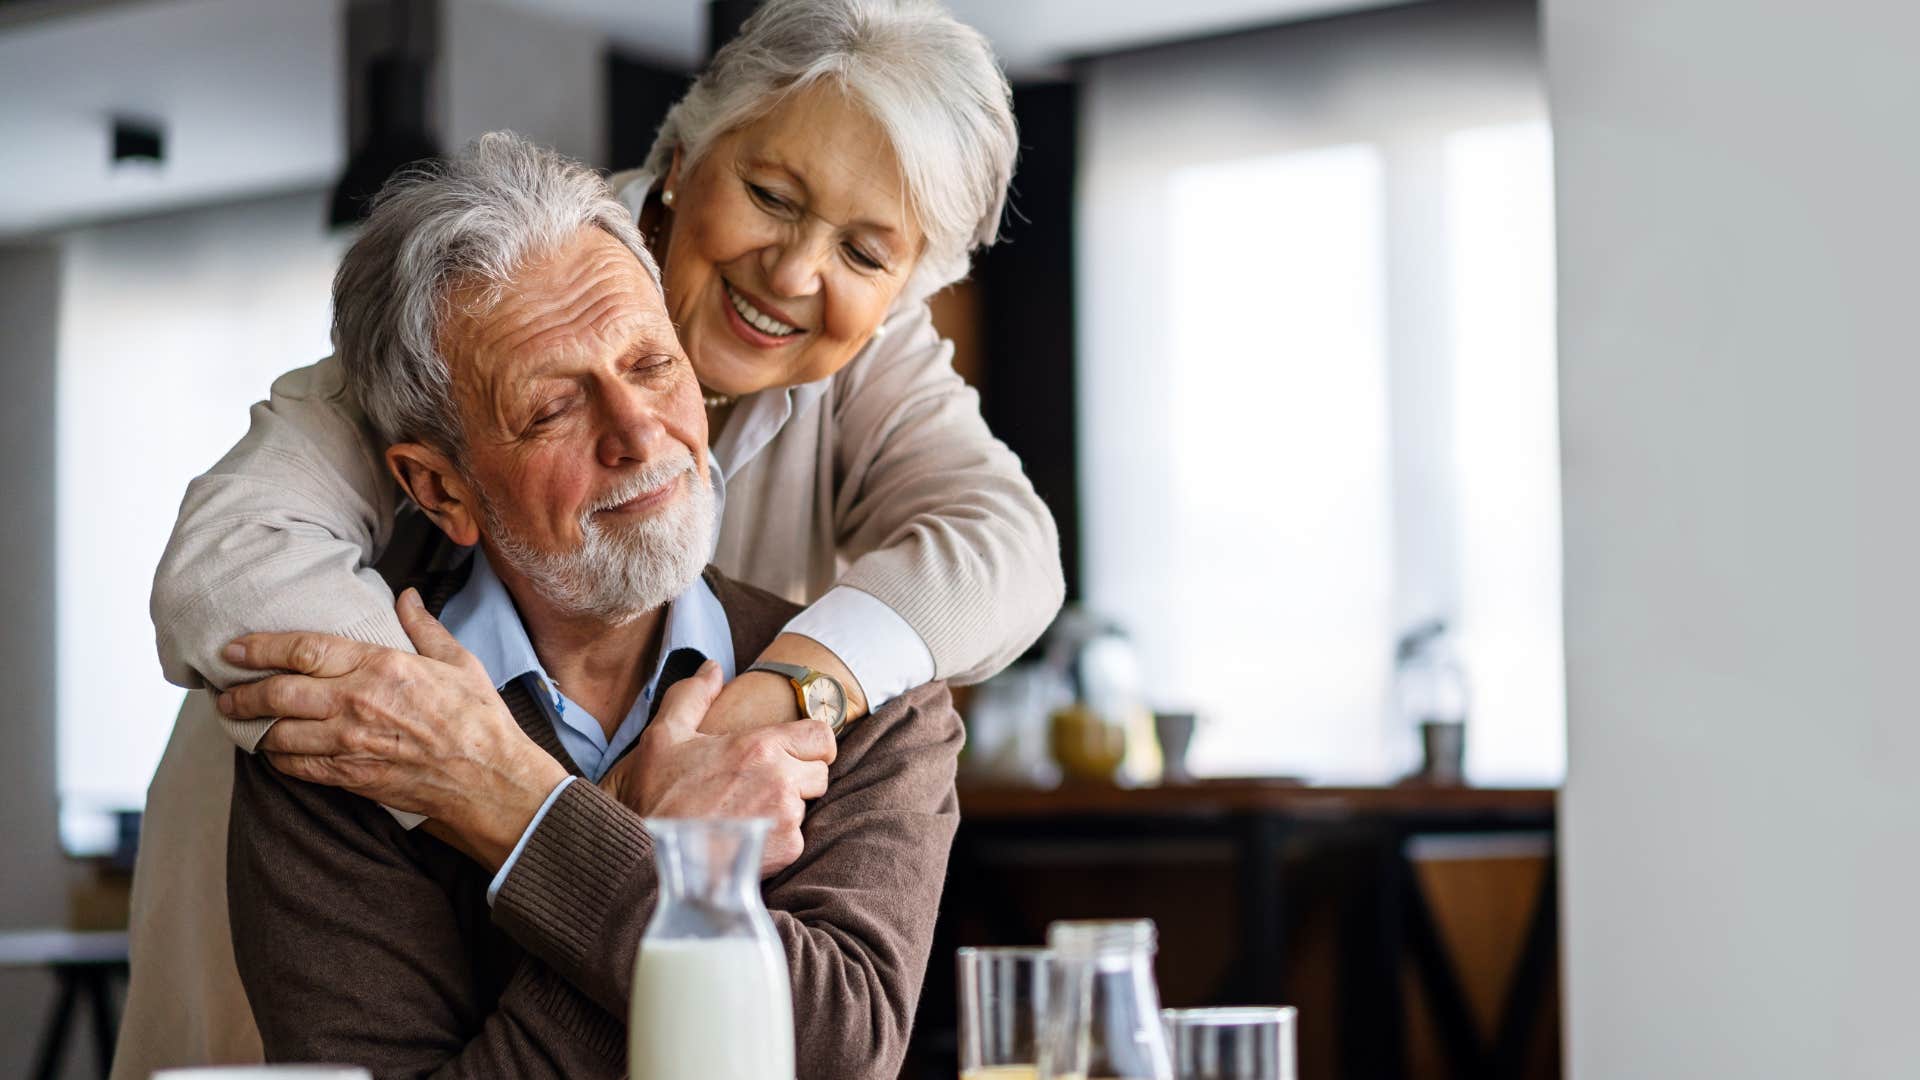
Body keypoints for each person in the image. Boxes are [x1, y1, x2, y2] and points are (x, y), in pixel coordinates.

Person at [116, 1, 1061, 1073]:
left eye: (864, 250)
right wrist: (481, 771)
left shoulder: (840, 701)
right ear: (682, 154)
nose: (796, 274)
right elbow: (226, 568)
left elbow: (1008, 548)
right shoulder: (491, 288)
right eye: (769, 195)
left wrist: (763, 704)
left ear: (903, 288)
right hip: (330, 823)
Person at [224, 132, 961, 1079]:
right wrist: (660, 848)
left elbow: (835, 1051)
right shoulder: (351, 738)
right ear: (441, 489)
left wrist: (524, 813)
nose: (638, 432)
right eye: (552, 409)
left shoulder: (864, 704)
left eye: (652, 364)